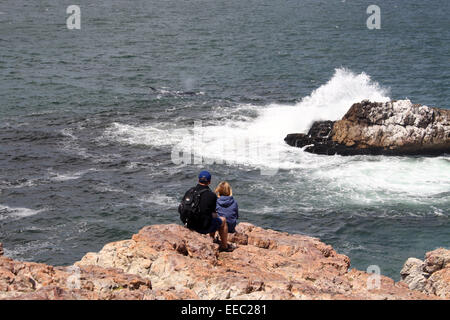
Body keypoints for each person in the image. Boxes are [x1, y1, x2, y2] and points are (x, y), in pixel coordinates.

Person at [180, 170, 232, 252]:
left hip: (189, 224)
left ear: (198, 180)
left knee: (209, 217)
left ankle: (211, 239)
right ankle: (224, 246)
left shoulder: (190, 191)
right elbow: (214, 215)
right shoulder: (211, 195)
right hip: (202, 228)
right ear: (209, 182)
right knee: (222, 220)